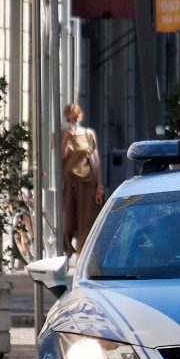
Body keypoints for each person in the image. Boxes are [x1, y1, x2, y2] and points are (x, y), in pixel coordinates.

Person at [61, 103, 103, 259]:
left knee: (86, 220)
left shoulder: (88, 134)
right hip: (68, 181)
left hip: (87, 181)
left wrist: (99, 184)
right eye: (70, 119)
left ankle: (82, 257)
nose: (73, 121)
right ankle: (67, 251)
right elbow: (59, 158)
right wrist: (66, 138)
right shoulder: (62, 134)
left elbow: (96, 159)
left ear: (80, 117)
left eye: (76, 118)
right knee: (68, 221)